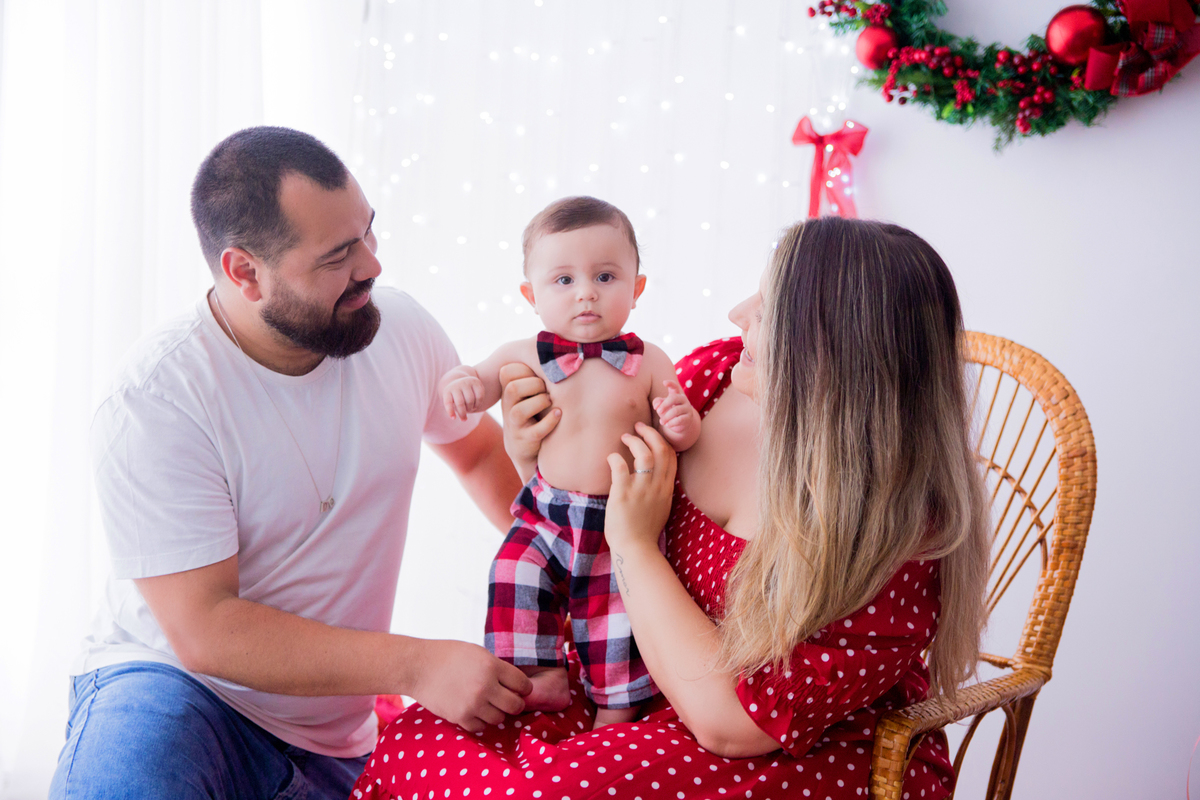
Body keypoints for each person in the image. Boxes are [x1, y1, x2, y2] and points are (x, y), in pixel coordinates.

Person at [349, 217, 991, 799]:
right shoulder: (717, 377)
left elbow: (731, 725)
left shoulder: (898, 530)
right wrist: (531, 459)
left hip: (780, 742)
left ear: (833, 350)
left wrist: (632, 542)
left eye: (769, 306)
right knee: (421, 741)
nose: (739, 312)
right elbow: (585, 519)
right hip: (636, 663)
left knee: (534, 791)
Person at [49, 126, 533, 800]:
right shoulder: (156, 400)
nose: (371, 266)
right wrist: (418, 666)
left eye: (368, 233)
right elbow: (207, 631)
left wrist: (563, 565)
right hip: (179, 693)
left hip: (334, 734)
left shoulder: (401, 329)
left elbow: (477, 451)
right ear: (245, 272)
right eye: (338, 255)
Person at [439, 196, 701, 728]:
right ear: (531, 296)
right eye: (564, 281)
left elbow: (686, 431)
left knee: (616, 614)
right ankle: (541, 675)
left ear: (637, 288)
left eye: (605, 276)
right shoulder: (526, 352)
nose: (585, 293)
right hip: (545, 513)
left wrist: (679, 422)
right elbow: (481, 377)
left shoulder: (649, 361)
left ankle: (618, 705)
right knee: (513, 574)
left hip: (620, 521)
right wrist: (464, 383)